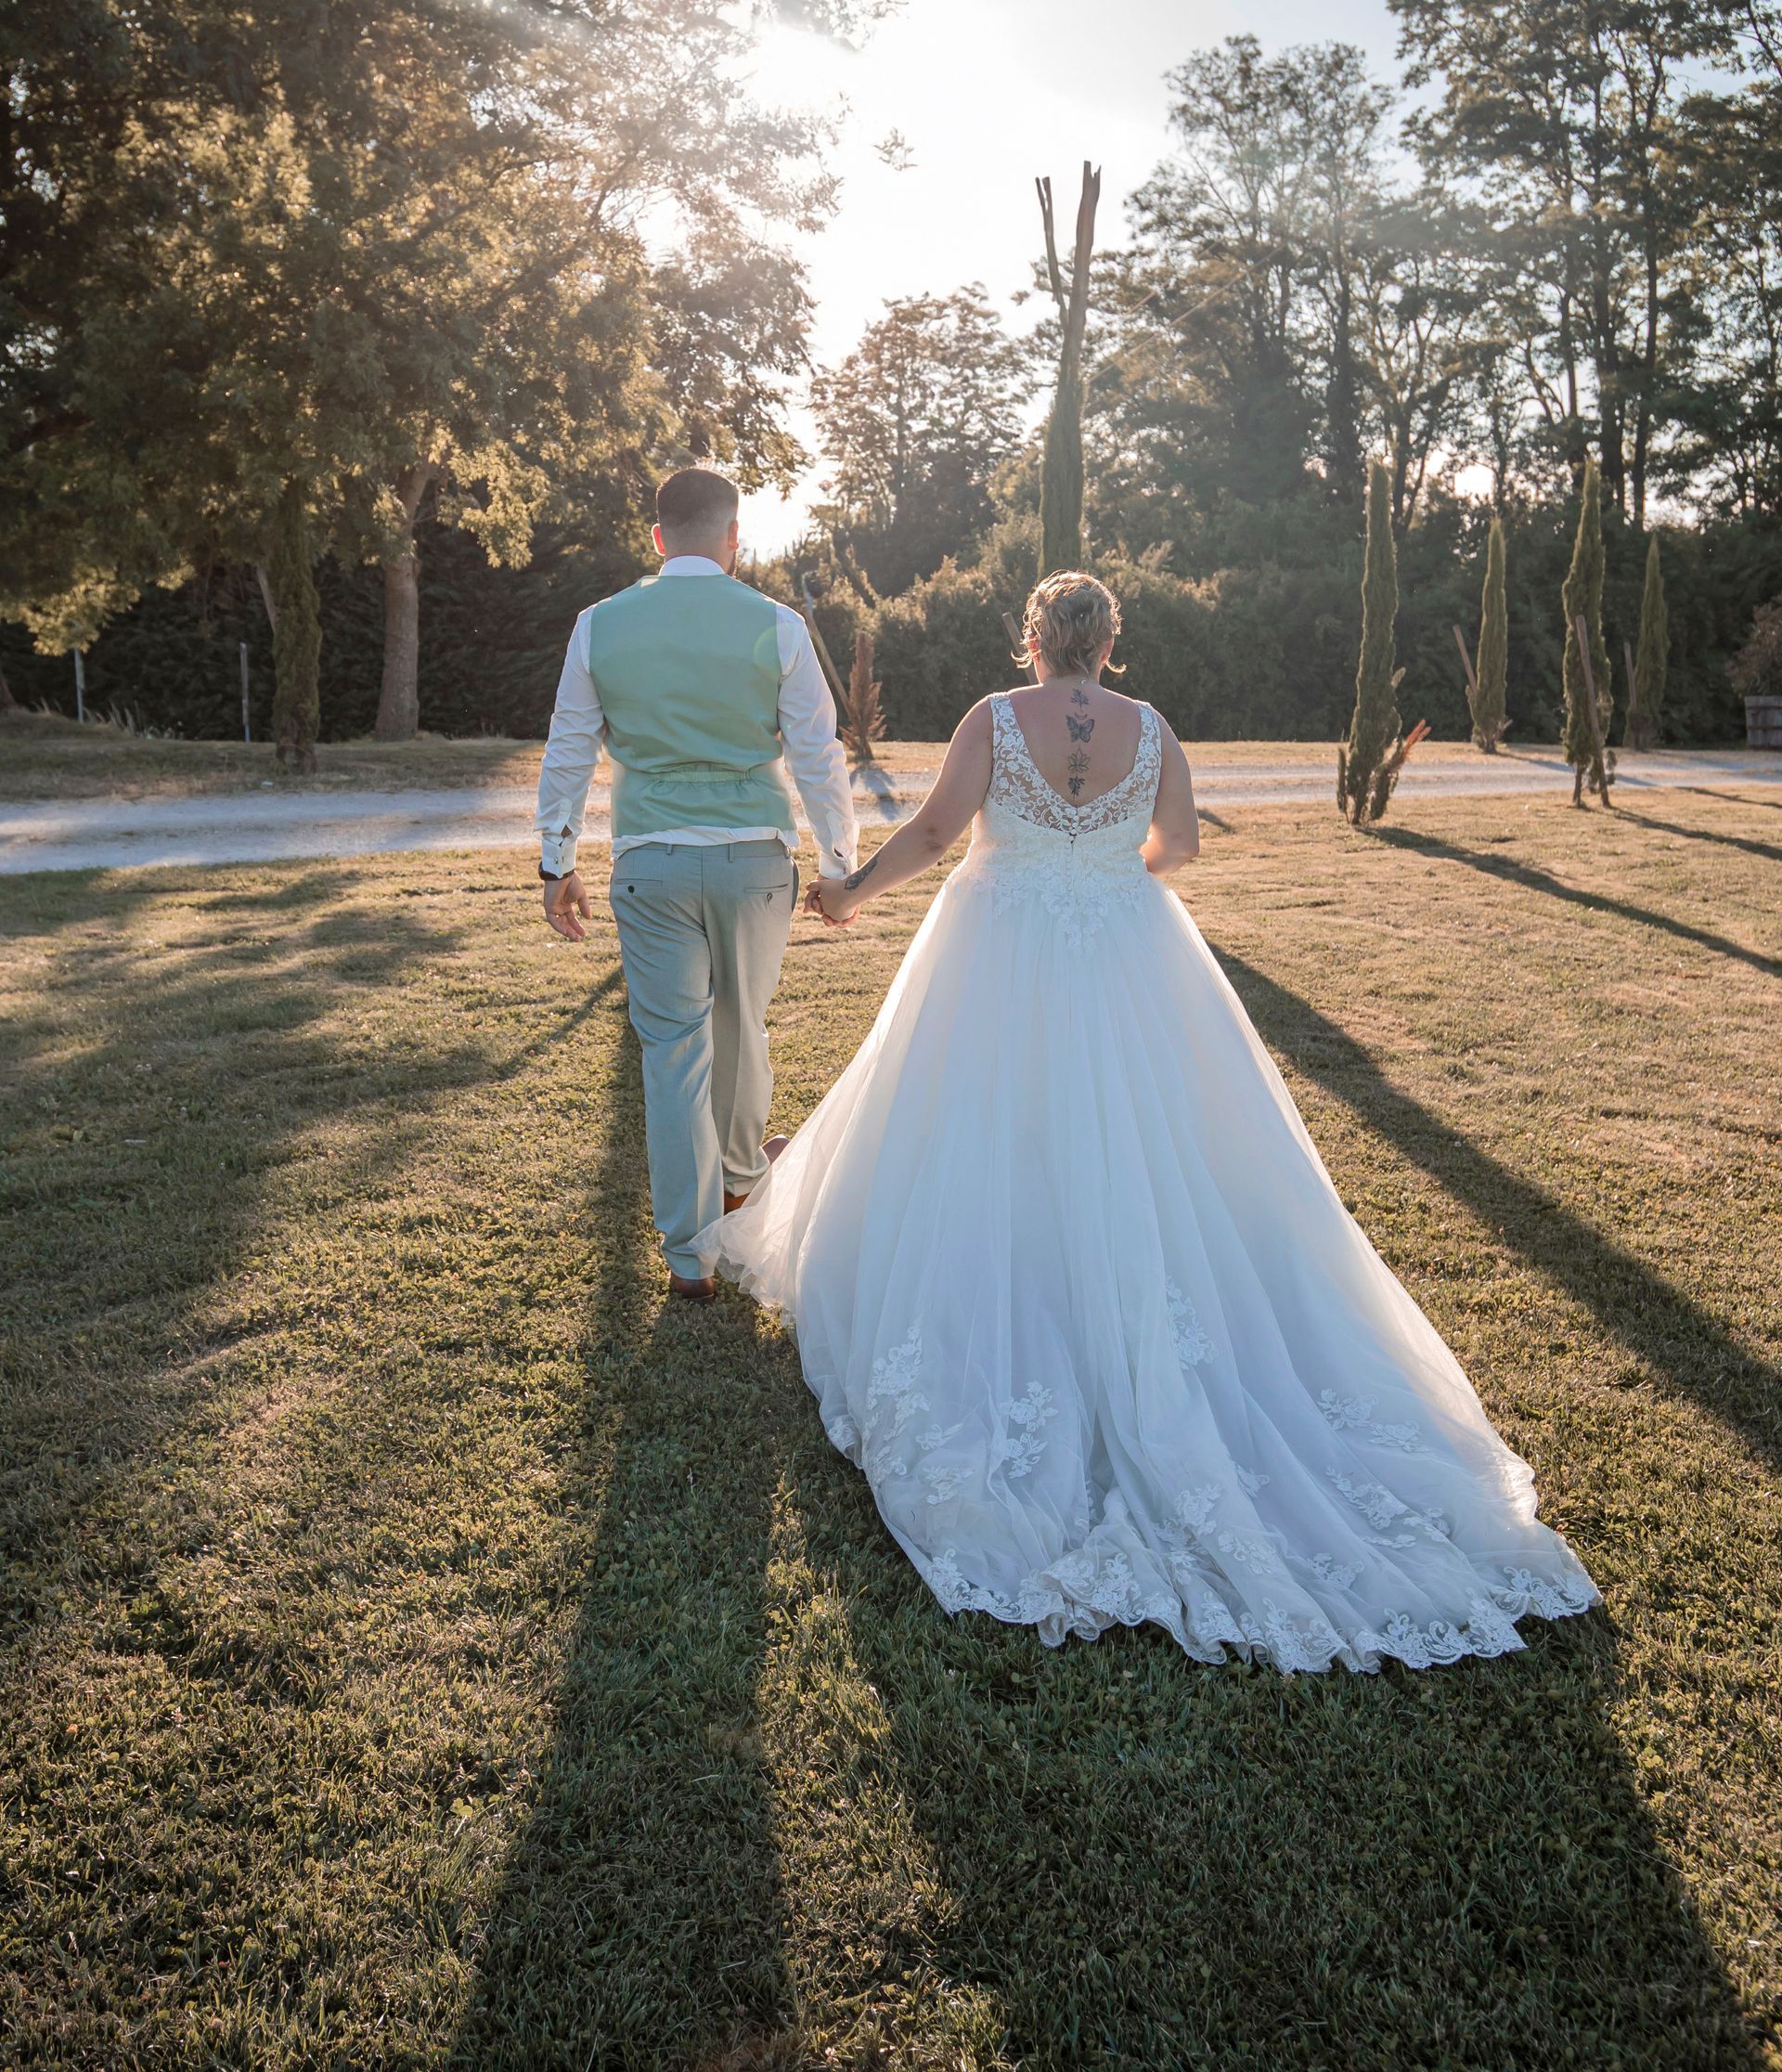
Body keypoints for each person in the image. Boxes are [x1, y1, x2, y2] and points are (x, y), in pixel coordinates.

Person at [697, 569, 1600, 1673]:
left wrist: (850, 894)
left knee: (975, 1120)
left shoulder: (994, 717)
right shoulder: (1154, 729)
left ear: (1036, 639)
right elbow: (1179, 850)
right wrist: (1106, 866)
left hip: (1000, 938)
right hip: (1127, 941)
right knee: (1152, 1137)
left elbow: (938, 829)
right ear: (1109, 645)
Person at [536, 466, 856, 1298]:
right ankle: (742, 1184)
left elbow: (569, 746)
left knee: (673, 1052)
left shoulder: (598, 625)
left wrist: (556, 860)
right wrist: (838, 866)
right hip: (754, 861)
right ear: (733, 540)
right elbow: (820, 757)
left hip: (651, 863)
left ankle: (688, 1257)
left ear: (656, 538)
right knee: (742, 1030)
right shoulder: (777, 625)